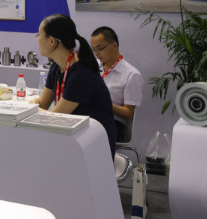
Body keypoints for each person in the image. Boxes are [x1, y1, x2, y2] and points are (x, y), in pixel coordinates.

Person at [37, 14, 116, 156]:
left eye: (39, 35)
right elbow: (42, 103)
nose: (37, 39)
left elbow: (55, 117)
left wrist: (29, 109)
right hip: (74, 139)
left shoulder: (80, 73)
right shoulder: (56, 66)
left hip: (94, 147)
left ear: (52, 41)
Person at [91, 26, 143, 142]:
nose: (96, 54)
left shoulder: (131, 74)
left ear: (114, 45)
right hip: (89, 118)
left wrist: (105, 103)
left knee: (92, 139)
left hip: (112, 123)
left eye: (100, 49)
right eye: (93, 49)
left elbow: (129, 113)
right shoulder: (92, 67)